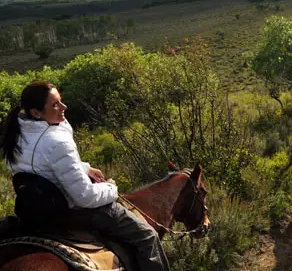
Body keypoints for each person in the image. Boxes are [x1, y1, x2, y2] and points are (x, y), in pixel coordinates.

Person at [0, 81, 169, 271]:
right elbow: (84, 197)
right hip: (70, 210)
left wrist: (84, 167)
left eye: (60, 101)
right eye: (55, 104)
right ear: (36, 113)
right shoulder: (57, 141)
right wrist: (111, 188)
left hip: (34, 210)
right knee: (148, 236)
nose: (64, 107)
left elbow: (39, 165)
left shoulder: (16, 134)